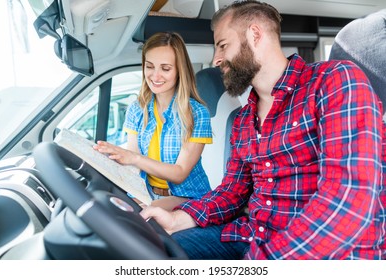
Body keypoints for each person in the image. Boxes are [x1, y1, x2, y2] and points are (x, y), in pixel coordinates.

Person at [141, 1, 386, 259]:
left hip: (321, 252)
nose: (216, 59)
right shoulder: (244, 119)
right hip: (251, 236)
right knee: (152, 250)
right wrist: (177, 219)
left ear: (255, 35)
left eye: (223, 45)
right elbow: (232, 192)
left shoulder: (334, 81)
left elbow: (347, 203)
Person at [94, 32, 213, 210]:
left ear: (180, 70)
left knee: (142, 217)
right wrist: (107, 157)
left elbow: (180, 173)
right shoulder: (137, 109)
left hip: (188, 197)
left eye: (165, 69)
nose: (155, 76)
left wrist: (133, 158)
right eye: (150, 66)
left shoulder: (196, 113)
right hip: (146, 192)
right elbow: (132, 166)